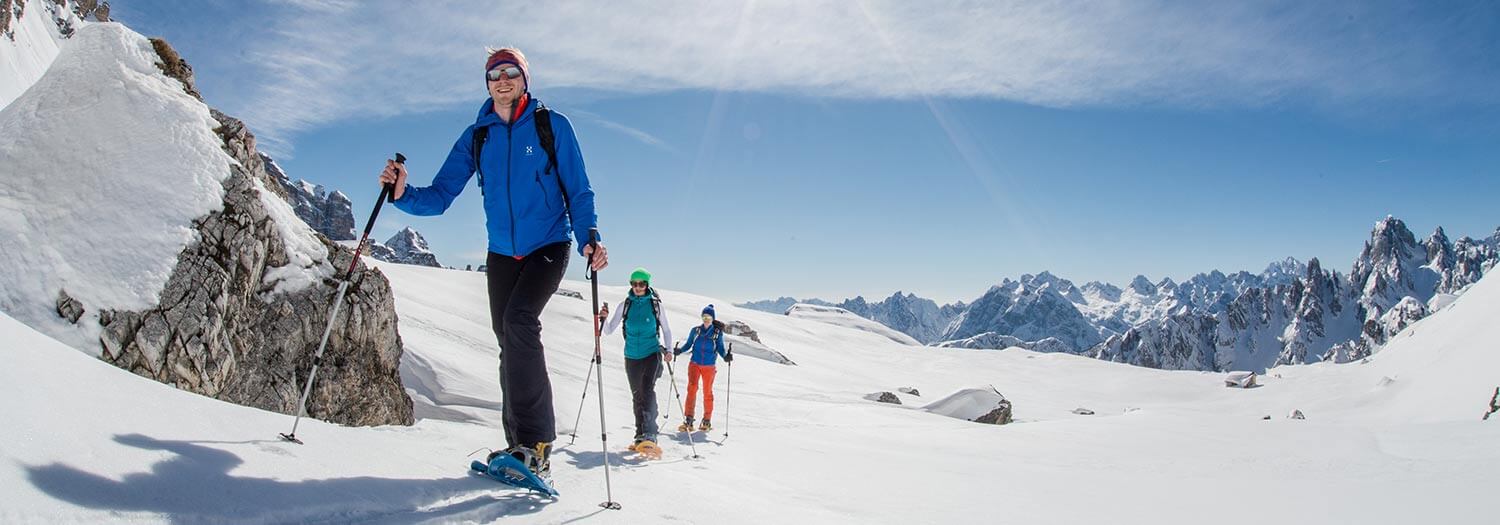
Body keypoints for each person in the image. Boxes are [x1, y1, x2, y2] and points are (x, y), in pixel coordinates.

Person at [377, 47, 607, 478]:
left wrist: (589, 238)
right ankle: (516, 447)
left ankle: (537, 446)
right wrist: (403, 193)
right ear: (487, 83)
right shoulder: (477, 136)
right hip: (501, 252)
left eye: (511, 73)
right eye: (494, 74)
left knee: (520, 322)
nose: (503, 80)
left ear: (524, 79)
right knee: (508, 339)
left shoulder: (550, 125)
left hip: (548, 243)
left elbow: (579, 189)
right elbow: (441, 196)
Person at [597, 268, 673, 457]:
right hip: (631, 355)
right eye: (634, 283)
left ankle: (650, 433)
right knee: (637, 394)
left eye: (641, 284)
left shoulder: (656, 305)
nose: (637, 287)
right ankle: (640, 434)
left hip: (651, 352)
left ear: (647, 285)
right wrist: (603, 319)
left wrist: (669, 350)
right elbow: (608, 330)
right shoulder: (625, 305)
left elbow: (666, 329)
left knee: (647, 390)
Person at [673, 304, 731, 432]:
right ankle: (688, 419)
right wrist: (680, 350)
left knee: (707, 392)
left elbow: (720, 348)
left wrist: (725, 356)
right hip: (694, 364)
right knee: (692, 389)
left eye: (709, 317)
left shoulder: (717, 333)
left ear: (713, 318)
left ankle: (706, 421)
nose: (706, 319)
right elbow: (688, 344)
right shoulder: (696, 330)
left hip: (709, 366)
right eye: (704, 317)